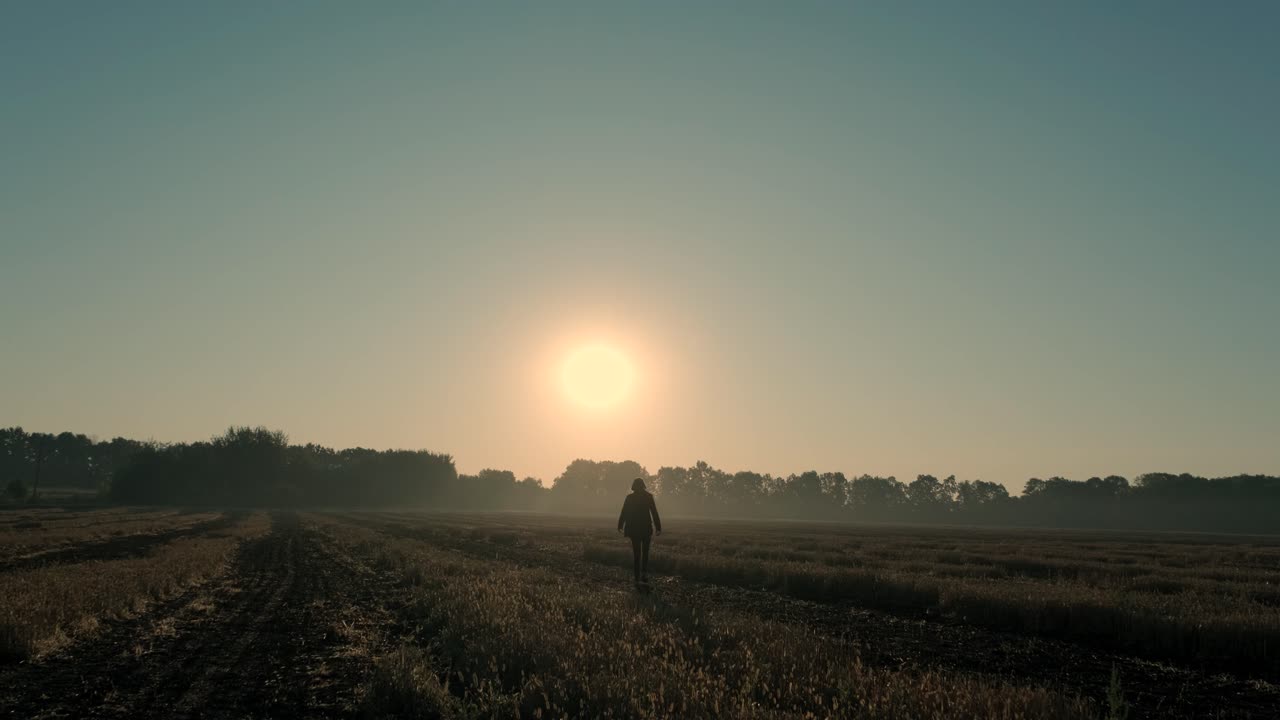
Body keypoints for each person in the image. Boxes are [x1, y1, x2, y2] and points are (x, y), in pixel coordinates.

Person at [617, 477, 662, 584]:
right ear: (643, 486)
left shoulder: (629, 498)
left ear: (634, 487)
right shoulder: (648, 497)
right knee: (645, 553)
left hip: (633, 529)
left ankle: (637, 577)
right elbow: (654, 512)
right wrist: (658, 527)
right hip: (646, 529)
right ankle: (644, 575)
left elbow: (624, 512)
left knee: (637, 554)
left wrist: (620, 525)